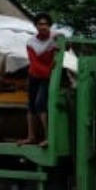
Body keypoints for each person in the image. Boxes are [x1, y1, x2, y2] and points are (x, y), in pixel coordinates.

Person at [21, 12, 62, 145]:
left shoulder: (57, 38)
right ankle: (31, 136)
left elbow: (64, 50)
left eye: (45, 24)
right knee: (31, 106)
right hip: (35, 75)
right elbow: (36, 60)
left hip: (48, 77)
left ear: (49, 26)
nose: (43, 26)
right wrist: (51, 45)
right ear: (36, 26)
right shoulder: (31, 42)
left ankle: (48, 137)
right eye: (40, 24)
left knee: (41, 104)